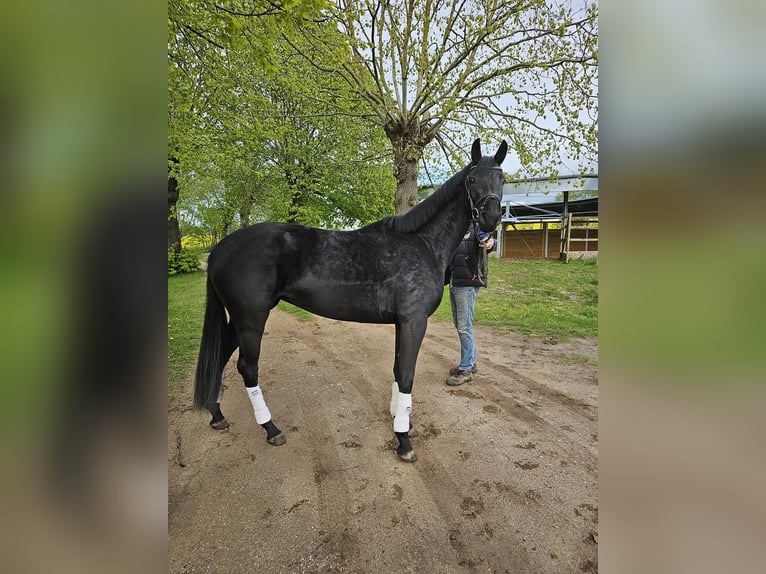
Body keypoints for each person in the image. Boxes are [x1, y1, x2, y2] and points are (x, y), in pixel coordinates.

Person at [445, 221, 497, 386]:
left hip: (468, 281)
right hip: (455, 280)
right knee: (460, 324)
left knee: (464, 326)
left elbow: (489, 241)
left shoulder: (476, 225)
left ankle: (466, 369)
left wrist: (490, 242)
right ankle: (471, 362)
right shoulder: (455, 225)